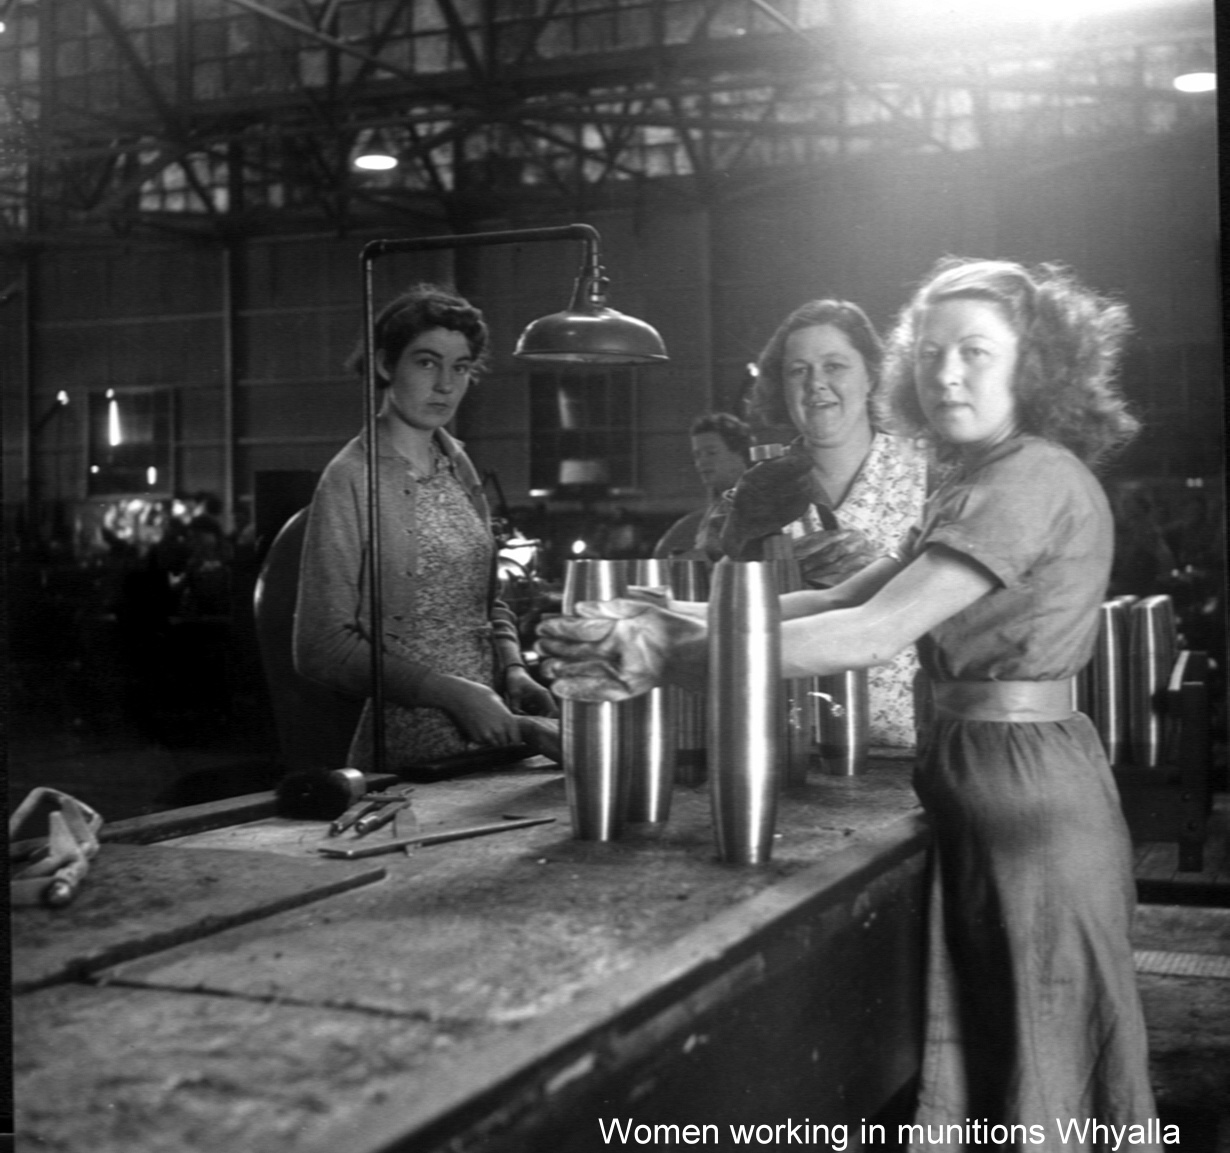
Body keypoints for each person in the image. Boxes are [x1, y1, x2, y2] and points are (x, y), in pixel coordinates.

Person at [539, 257, 1158, 1148]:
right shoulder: (976, 476)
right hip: (984, 780)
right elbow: (838, 598)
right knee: (1004, 1058)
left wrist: (670, 656)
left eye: (976, 352)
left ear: (1036, 365)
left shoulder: (1030, 479)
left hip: (1030, 800)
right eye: (932, 353)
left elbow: (876, 632)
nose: (947, 374)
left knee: (1046, 1065)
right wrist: (667, 613)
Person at [294, 282, 558, 772]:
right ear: (384, 365)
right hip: (412, 751)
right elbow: (320, 647)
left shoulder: (458, 463)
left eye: (460, 367)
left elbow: (485, 602)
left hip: (496, 730)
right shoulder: (351, 477)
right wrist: (453, 694)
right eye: (426, 363)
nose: (445, 385)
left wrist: (513, 668)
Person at [722, 299, 929, 747]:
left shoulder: (929, 471)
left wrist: (885, 575)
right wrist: (765, 567)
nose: (816, 383)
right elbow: (722, 615)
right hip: (791, 744)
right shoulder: (759, 486)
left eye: (834, 366)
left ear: (872, 375)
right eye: (798, 371)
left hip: (912, 745)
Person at [652, 412, 752, 560]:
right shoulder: (718, 505)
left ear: (739, 453)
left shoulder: (752, 498)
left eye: (711, 453)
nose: (701, 462)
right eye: (697, 455)